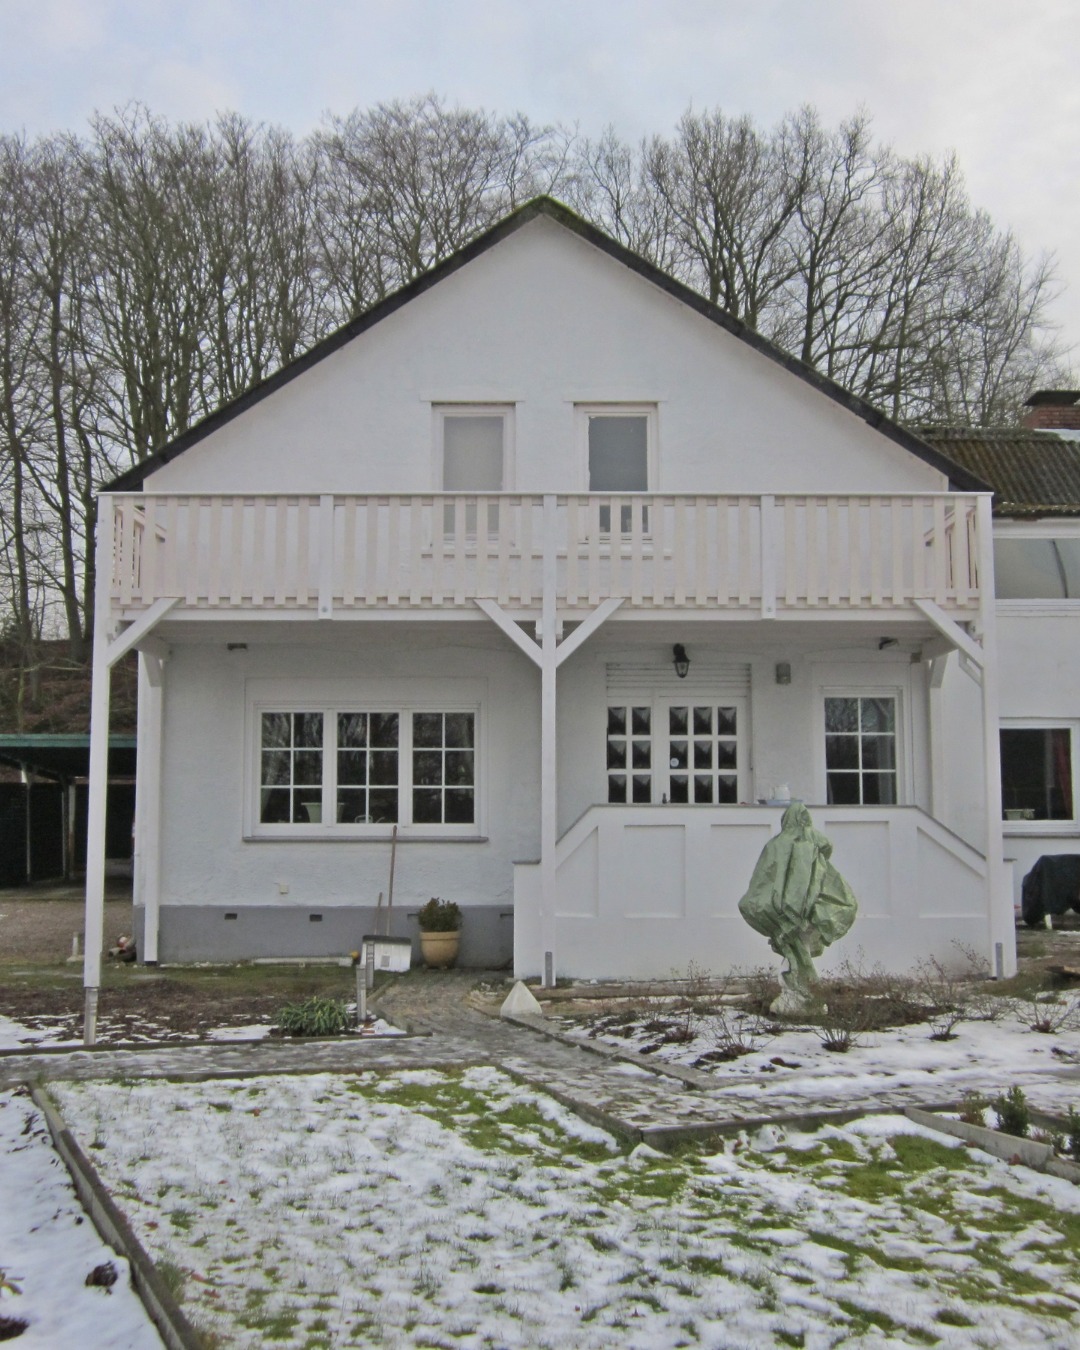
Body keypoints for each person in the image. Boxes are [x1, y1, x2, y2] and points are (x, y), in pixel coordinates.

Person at [738, 802, 857, 1009]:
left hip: (787, 911)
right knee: (798, 950)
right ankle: (802, 995)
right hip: (804, 911)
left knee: (794, 950)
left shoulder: (777, 845)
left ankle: (800, 995)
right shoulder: (810, 846)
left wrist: (785, 906)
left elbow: (766, 878)